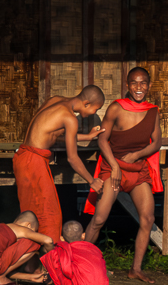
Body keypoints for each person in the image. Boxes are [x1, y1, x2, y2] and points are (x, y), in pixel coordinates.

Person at [83, 67, 163, 283]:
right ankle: (81, 264)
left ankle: (135, 268)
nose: (139, 88)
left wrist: (137, 154)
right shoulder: (116, 108)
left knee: (148, 219)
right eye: (135, 83)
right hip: (114, 169)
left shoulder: (153, 110)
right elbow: (102, 140)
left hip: (138, 171)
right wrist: (115, 166)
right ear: (127, 85)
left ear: (148, 85)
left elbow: (156, 143)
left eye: (143, 83)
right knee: (99, 218)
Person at [13, 87, 105, 243]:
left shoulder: (55, 100)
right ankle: (48, 260)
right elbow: (72, 158)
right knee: (48, 216)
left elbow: (51, 133)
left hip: (23, 157)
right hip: (34, 162)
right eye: (96, 109)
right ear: (87, 103)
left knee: (31, 214)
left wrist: (88, 136)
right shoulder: (70, 118)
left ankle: (34, 261)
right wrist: (92, 181)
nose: (93, 113)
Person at [40, 220, 110, 285]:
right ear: (83, 235)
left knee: (52, 256)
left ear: (62, 238)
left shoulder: (62, 250)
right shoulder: (94, 249)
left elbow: (66, 270)